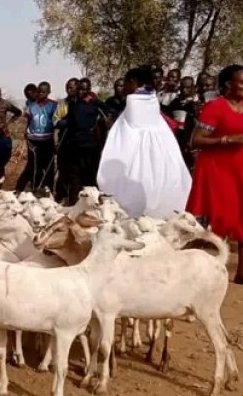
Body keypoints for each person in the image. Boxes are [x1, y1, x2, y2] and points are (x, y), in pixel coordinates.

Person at [97, 66, 191, 219]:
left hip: (138, 152)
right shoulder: (152, 97)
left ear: (133, 82)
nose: (124, 87)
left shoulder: (133, 100)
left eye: (126, 83)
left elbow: (129, 133)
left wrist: (112, 127)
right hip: (161, 147)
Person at [187, 64, 243, 283]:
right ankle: (205, 274)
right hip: (218, 171)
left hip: (240, 169)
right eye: (242, 81)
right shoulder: (216, 107)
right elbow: (196, 140)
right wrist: (229, 140)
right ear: (229, 84)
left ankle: (240, 273)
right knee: (219, 218)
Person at [55, 79, 110, 204]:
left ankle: (91, 202)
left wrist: (104, 120)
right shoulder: (73, 104)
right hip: (74, 146)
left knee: (89, 174)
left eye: (84, 89)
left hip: (90, 146)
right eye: (79, 88)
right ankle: (74, 202)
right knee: (74, 175)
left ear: (88, 90)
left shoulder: (95, 103)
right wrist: (62, 123)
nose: (80, 91)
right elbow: (67, 120)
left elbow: (109, 112)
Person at [15, 82, 58, 193]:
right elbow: (27, 122)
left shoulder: (53, 105)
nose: (41, 94)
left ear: (48, 92)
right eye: (39, 91)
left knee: (49, 166)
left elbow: (56, 123)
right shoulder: (31, 106)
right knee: (33, 166)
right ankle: (33, 188)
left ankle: (49, 190)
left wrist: (56, 140)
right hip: (33, 140)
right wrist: (26, 137)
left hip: (47, 140)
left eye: (44, 92)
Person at [0, 86, 22, 179]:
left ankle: (0, 188)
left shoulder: (5, 104)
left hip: (2, 135)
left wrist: (8, 123)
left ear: (0, 95)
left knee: (1, 164)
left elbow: (18, 112)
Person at [165, 76, 198, 170]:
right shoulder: (175, 102)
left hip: (190, 140)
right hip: (175, 137)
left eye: (188, 87)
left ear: (193, 88)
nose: (184, 90)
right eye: (182, 87)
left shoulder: (196, 104)